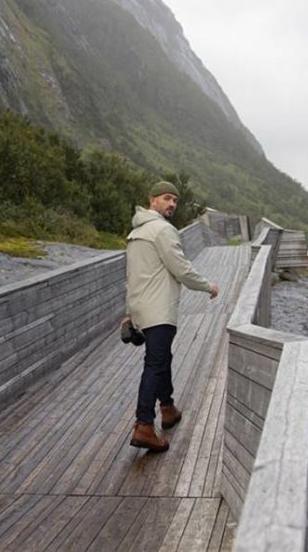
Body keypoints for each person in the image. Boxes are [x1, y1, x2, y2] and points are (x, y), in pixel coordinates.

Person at [125, 180, 219, 452]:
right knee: (155, 364)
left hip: (144, 309)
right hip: (160, 310)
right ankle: (144, 425)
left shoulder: (136, 233)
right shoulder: (162, 230)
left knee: (162, 358)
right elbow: (181, 268)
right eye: (167, 199)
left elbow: (131, 277)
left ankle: (167, 408)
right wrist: (208, 286)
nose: (172, 204)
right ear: (152, 200)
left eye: (175, 201)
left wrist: (130, 313)